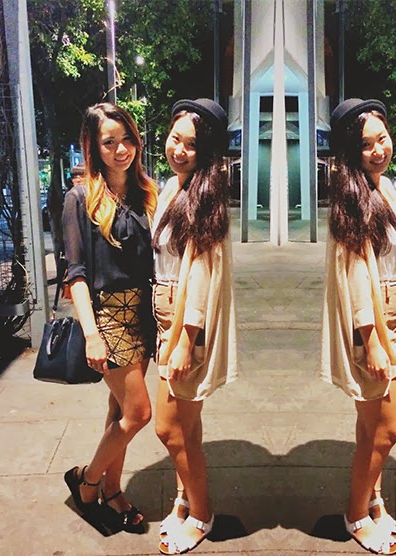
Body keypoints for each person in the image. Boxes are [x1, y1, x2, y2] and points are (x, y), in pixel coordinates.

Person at [62, 102, 158, 533]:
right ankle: (86, 482)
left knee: (120, 407)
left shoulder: (146, 193)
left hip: (143, 313)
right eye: (109, 142)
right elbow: (76, 274)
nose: (121, 149)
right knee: (138, 413)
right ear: (93, 148)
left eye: (127, 139)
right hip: (108, 316)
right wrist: (92, 334)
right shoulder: (80, 198)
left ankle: (113, 489)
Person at [321, 99, 396, 555]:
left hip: (392, 317)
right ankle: (355, 514)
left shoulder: (385, 187)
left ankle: (374, 500)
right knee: (389, 429)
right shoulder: (353, 198)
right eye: (366, 145)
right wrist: (373, 340)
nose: (378, 150)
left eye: (382, 139)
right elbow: (355, 275)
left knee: (369, 426)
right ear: (351, 152)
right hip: (373, 325)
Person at [153, 98, 237, 555]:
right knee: (188, 427)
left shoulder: (204, 197)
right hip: (165, 318)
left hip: (184, 326)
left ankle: (202, 514)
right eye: (175, 139)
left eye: (191, 145)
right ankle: (184, 500)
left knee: (168, 429)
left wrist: (185, 341)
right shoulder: (173, 187)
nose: (179, 150)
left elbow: (202, 275)